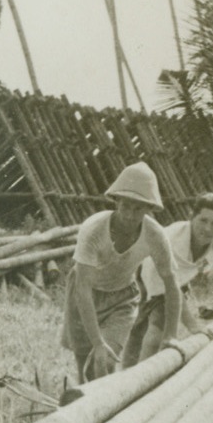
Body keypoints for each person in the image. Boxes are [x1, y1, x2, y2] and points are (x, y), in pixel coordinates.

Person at [61, 162, 180, 382]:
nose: (129, 215)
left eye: (138, 209)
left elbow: (172, 284)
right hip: (83, 294)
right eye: (125, 206)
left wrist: (170, 335)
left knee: (104, 363)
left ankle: (108, 408)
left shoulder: (155, 235)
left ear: (149, 209)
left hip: (122, 298)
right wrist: (96, 342)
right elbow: (83, 288)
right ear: (116, 201)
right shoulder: (93, 229)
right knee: (84, 365)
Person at [122, 192, 213, 366]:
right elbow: (171, 288)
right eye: (203, 220)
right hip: (146, 272)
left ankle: (141, 376)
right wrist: (193, 325)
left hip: (173, 282)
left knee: (157, 330)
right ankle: (130, 376)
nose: (208, 229)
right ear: (192, 217)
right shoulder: (173, 238)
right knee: (145, 331)